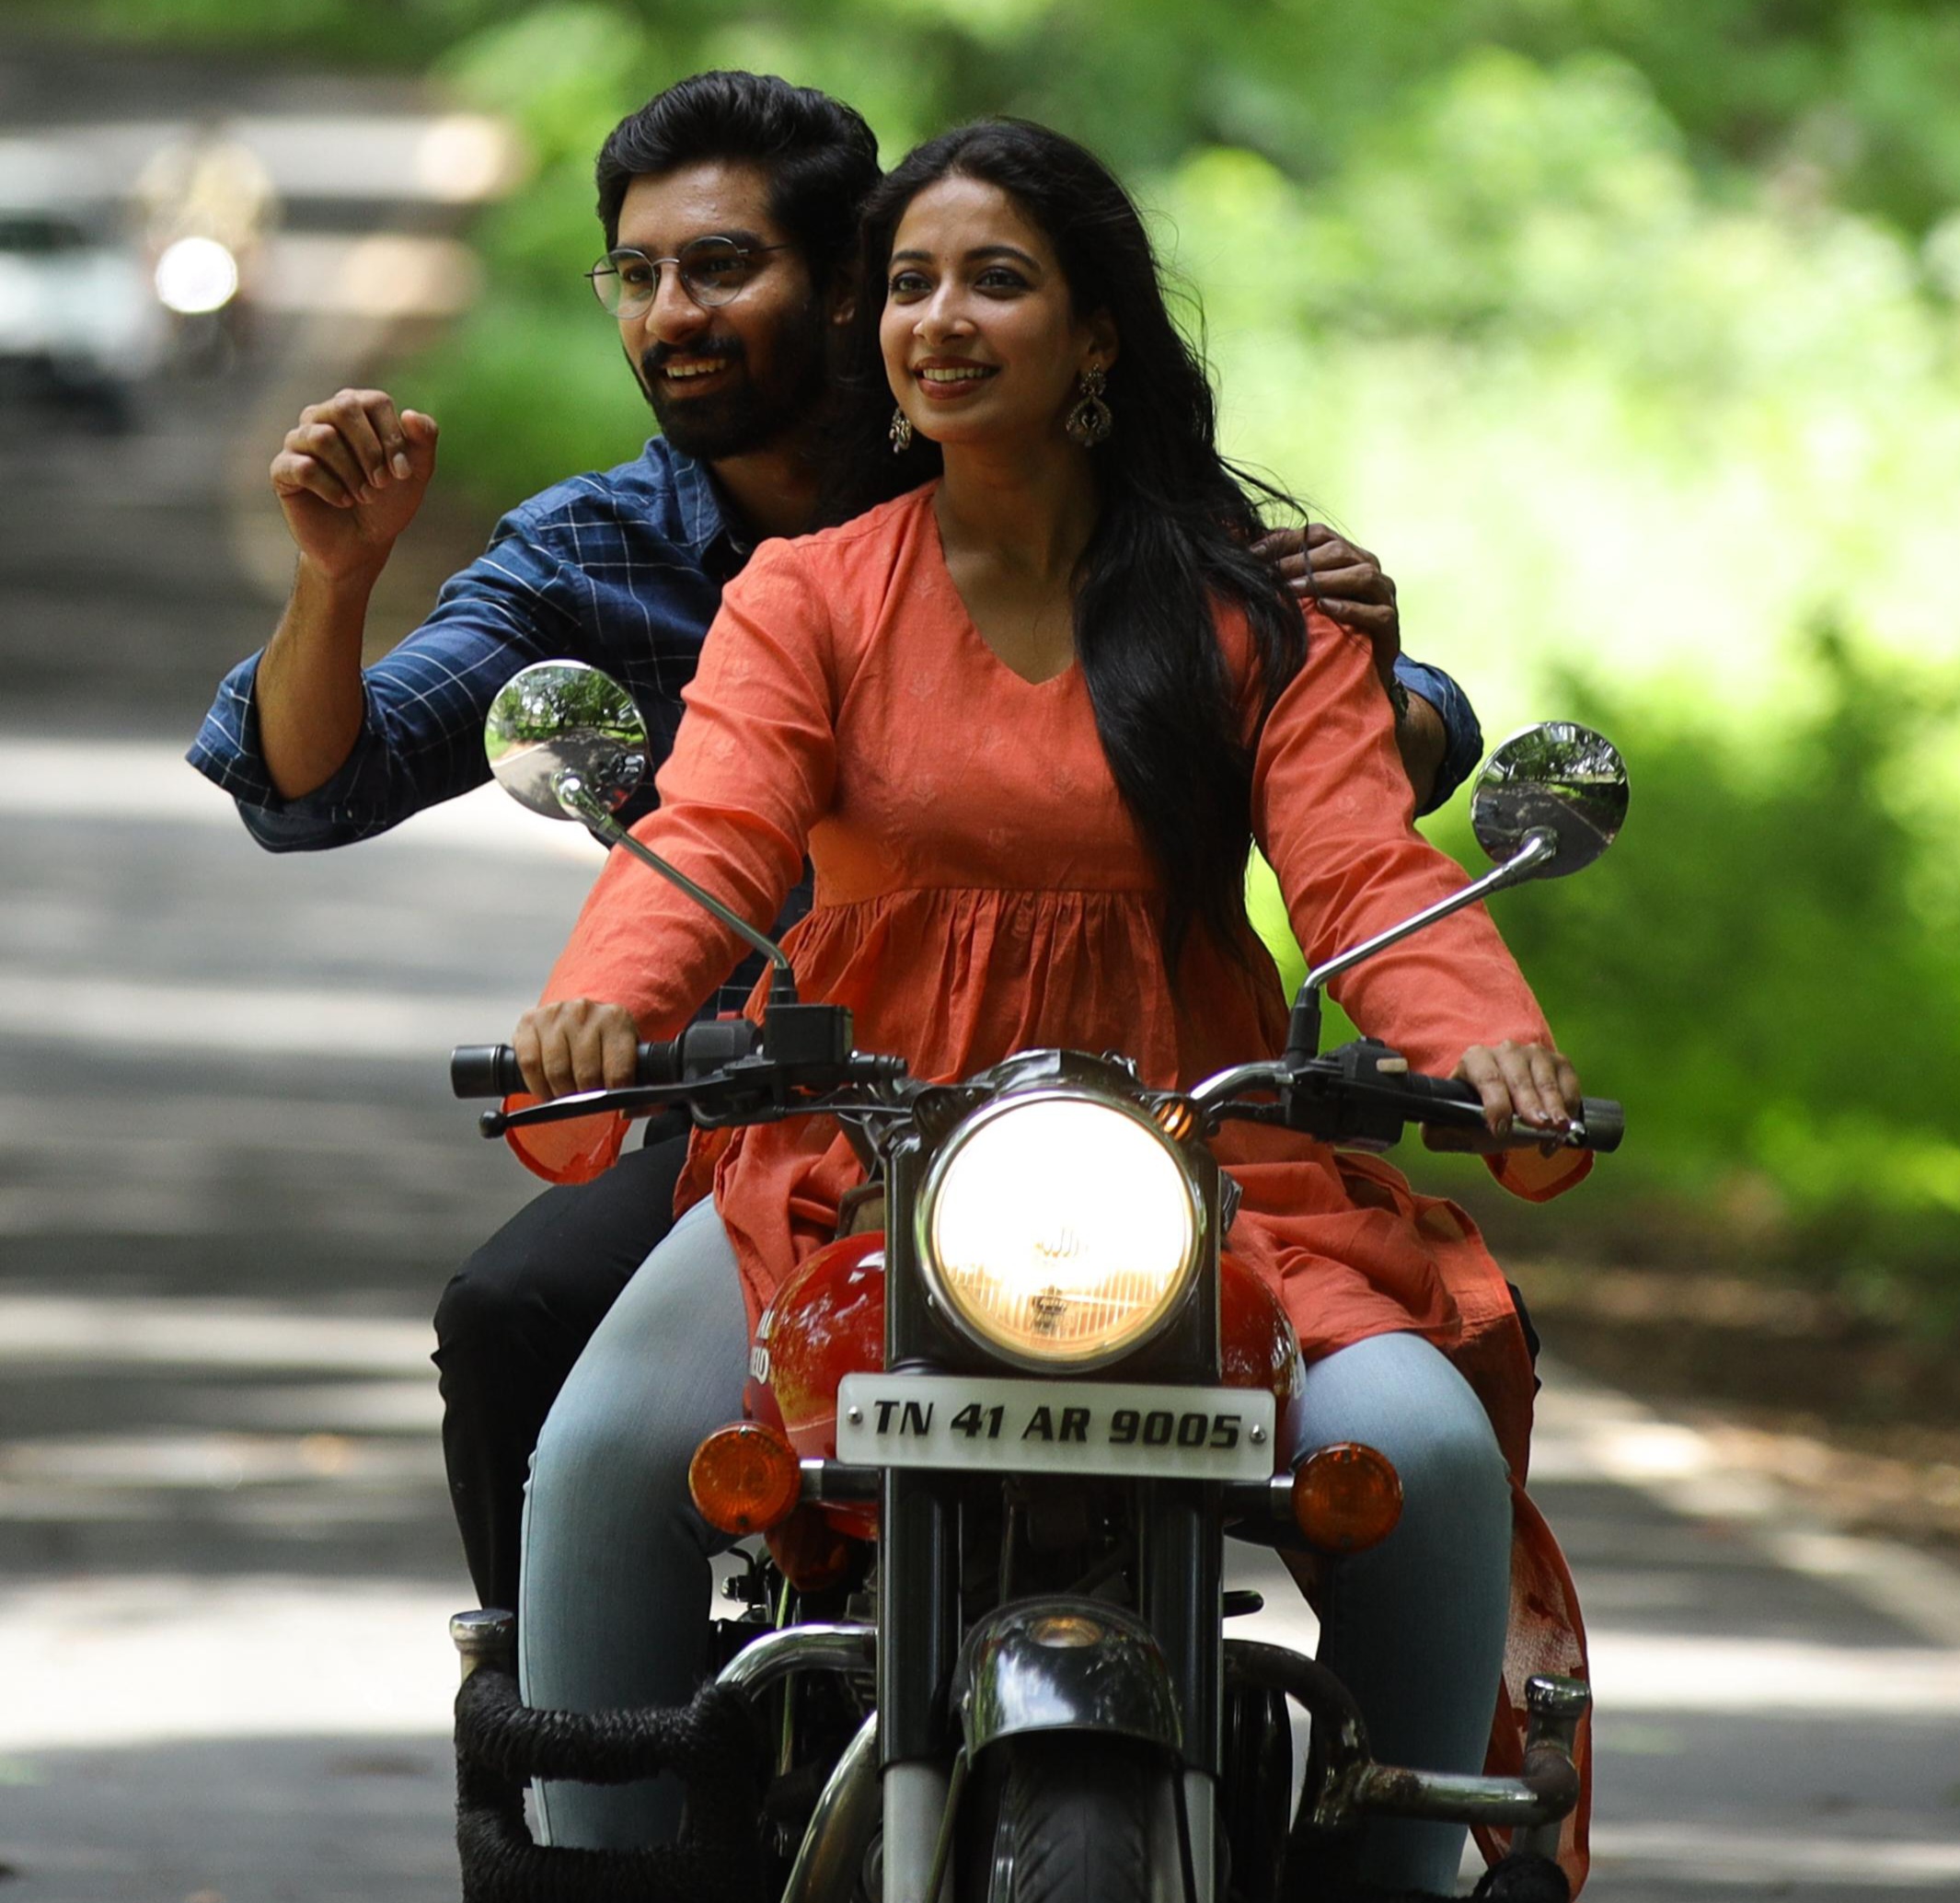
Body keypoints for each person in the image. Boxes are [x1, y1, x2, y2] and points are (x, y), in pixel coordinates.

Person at [184, 74, 1488, 1625]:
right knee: (527, 1330)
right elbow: (341, 791)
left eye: (722, 266)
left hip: (1151, 1136)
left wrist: (1371, 728)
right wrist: (336, 585)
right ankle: (576, 1744)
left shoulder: (1152, 541)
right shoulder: (664, 561)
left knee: (1423, 1446)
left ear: (839, 287)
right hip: (792, 1113)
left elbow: (1361, 810)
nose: (672, 312)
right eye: (637, 274)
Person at [509, 118, 1591, 1897]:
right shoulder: (806, 594)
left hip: (1192, 1169)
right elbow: (708, 831)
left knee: (1426, 1457)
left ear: (1094, 334)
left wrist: (1480, 1038)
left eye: (994, 282)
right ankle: (596, 1877)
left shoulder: (1252, 613)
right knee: (609, 1454)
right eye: (908, 285)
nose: (939, 320)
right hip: (857, 1163)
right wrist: (602, 1008)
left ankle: (1396, 1877)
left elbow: (1356, 867)